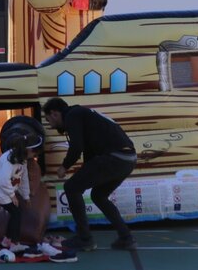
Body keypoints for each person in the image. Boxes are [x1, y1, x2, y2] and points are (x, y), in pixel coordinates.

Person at [43, 96, 138, 252]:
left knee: (71, 188)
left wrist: (64, 166)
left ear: (54, 113)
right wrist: (83, 173)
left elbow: (76, 147)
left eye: (49, 120)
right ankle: (126, 237)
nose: (51, 125)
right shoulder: (84, 115)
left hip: (114, 157)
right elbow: (89, 154)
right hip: (128, 159)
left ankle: (85, 239)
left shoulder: (72, 115)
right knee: (98, 196)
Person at [0, 136, 40, 253]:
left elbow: (24, 179)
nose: (35, 156)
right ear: (28, 150)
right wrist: (12, 195)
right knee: (16, 212)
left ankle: (7, 240)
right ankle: (14, 243)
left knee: (16, 212)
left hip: (4, 188)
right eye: (34, 153)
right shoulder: (9, 159)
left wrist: (26, 196)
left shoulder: (23, 160)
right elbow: (3, 180)